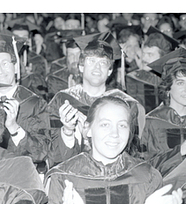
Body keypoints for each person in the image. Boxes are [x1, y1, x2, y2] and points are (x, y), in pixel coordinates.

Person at [43, 95, 182, 204]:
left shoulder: (147, 176)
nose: (114, 133)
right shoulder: (64, 178)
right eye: (105, 124)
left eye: (122, 125)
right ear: (88, 129)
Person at [47, 31, 145, 167]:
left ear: (110, 71)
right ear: (81, 67)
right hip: (73, 171)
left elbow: (132, 150)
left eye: (103, 63)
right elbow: (51, 150)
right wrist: (68, 132)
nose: (97, 67)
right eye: (91, 61)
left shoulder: (125, 103)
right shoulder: (63, 100)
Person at [0, 31, 51, 171]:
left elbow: (41, 153)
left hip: (24, 176)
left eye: (5, 63)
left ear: (16, 67)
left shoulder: (35, 104)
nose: (0, 71)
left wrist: (14, 128)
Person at [141, 49, 186, 197]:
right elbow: (145, 167)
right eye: (180, 83)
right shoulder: (151, 122)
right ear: (168, 89)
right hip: (163, 197)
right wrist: (180, 152)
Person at [125, 26, 179, 113]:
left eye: (150, 55)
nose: (144, 58)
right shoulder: (135, 75)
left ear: (162, 59)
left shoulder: (170, 82)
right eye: (143, 53)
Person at [46, 33, 83, 101]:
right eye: (71, 55)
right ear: (66, 57)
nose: (75, 59)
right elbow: (54, 106)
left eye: (78, 55)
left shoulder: (91, 78)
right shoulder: (56, 79)